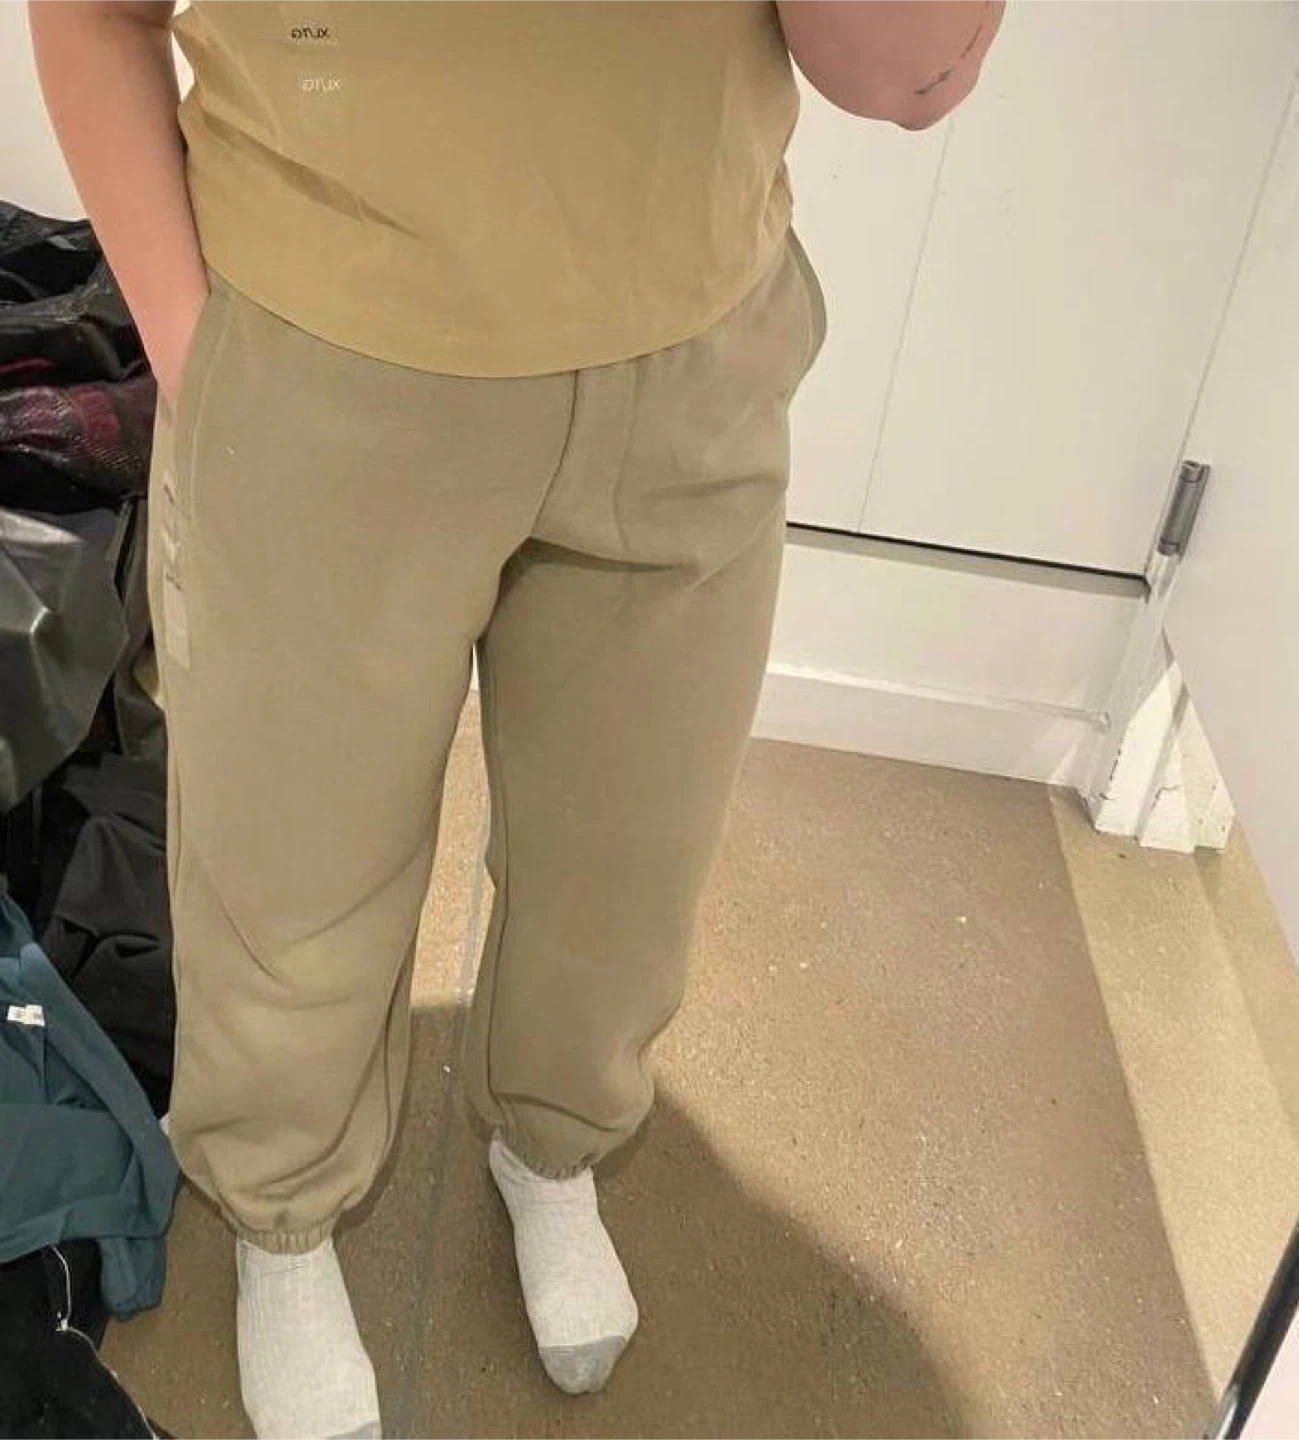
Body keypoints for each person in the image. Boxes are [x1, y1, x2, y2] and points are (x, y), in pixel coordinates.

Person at [29, 2, 1004, 1435]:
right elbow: (92, 13)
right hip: (325, 346)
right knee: (290, 866)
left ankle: (554, 1147)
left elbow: (906, 78)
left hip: (687, 354)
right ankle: (282, 1220)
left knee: (629, 850)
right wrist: (202, 356)